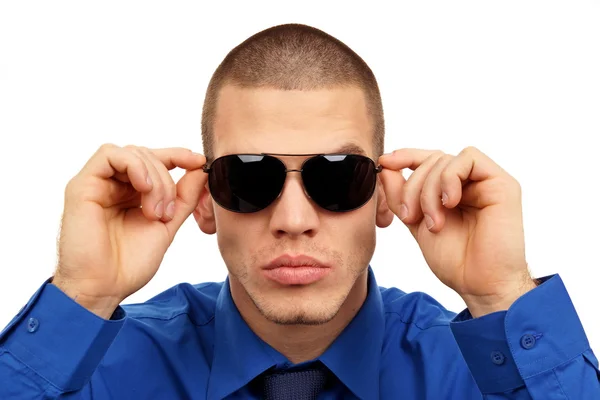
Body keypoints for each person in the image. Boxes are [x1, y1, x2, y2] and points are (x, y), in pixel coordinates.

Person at [0, 23, 598, 400]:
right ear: (205, 201)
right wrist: (80, 294)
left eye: (337, 178)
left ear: (384, 197)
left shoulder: (485, 374)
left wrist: (501, 296)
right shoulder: (99, 369)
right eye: (248, 177)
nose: (293, 218)